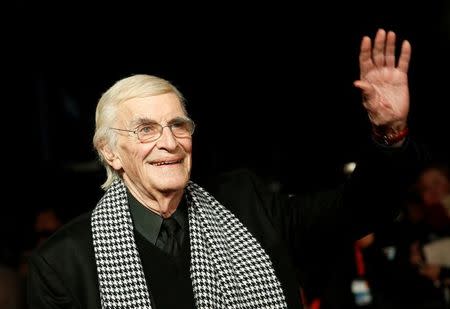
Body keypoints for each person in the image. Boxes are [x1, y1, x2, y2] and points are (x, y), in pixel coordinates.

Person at [27, 28, 426, 309]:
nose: (169, 142)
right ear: (110, 153)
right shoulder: (65, 262)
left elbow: (357, 209)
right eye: (146, 129)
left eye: (178, 125)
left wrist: (389, 132)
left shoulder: (246, 204)